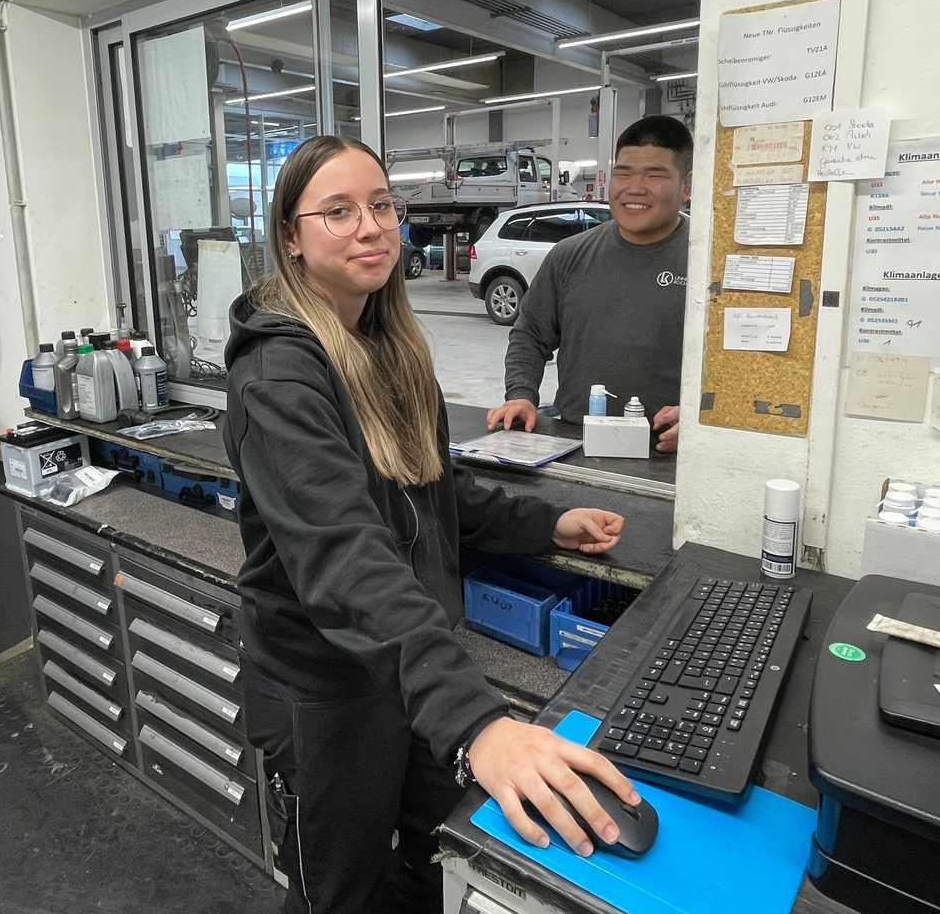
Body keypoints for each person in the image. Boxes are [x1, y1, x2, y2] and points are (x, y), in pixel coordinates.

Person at [223, 135, 639, 914]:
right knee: (337, 895)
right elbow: (346, 557)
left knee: (429, 864)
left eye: (380, 205)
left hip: (405, 671)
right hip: (325, 690)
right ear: (291, 237)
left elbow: (434, 492)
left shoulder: (386, 344)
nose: (370, 226)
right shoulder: (276, 376)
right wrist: (479, 723)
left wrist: (548, 525)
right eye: (338, 211)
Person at [486, 115, 692, 451]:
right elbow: (530, 335)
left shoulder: (708, 262)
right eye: (623, 173)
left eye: (655, 175)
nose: (634, 188)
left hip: (666, 449)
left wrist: (703, 420)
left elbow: (741, 365)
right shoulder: (569, 255)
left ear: (687, 186)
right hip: (576, 440)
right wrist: (521, 395)